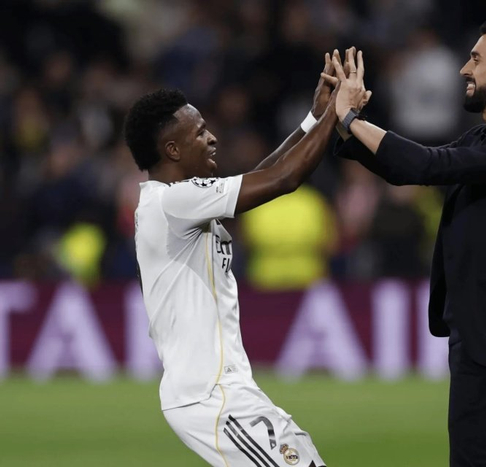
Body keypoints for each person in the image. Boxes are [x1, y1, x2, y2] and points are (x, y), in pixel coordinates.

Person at [324, 18, 486, 466]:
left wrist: (350, 118)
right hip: (484, 331)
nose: (464, 69)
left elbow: (429, 165)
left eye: (476, 58)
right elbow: (406, 169)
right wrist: (342, 123)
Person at [124, 53, 366, 467]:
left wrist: (314, 118)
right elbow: (284, 178)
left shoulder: (181, 202)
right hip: (210, 397)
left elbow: (263, 175)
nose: (212, 138)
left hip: (227, 391)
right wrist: (338, 113)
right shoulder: (172, 203)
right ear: (172, 150)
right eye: (200, 133)